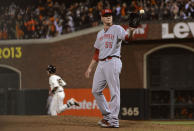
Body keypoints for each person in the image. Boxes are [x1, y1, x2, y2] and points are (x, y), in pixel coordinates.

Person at [85, 9, 135, 128]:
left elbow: (127, 38)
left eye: (110, 15)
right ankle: (107, 116)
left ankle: (113, 120)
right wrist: (90, 68)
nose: (108, 17)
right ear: (102, 18)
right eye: (105, 15)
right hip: (101, 63)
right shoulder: (100, 34)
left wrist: (131, 32)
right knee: (95, 90)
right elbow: (97, 53)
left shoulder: (117, 28)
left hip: (113, 60)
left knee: (114, 92)